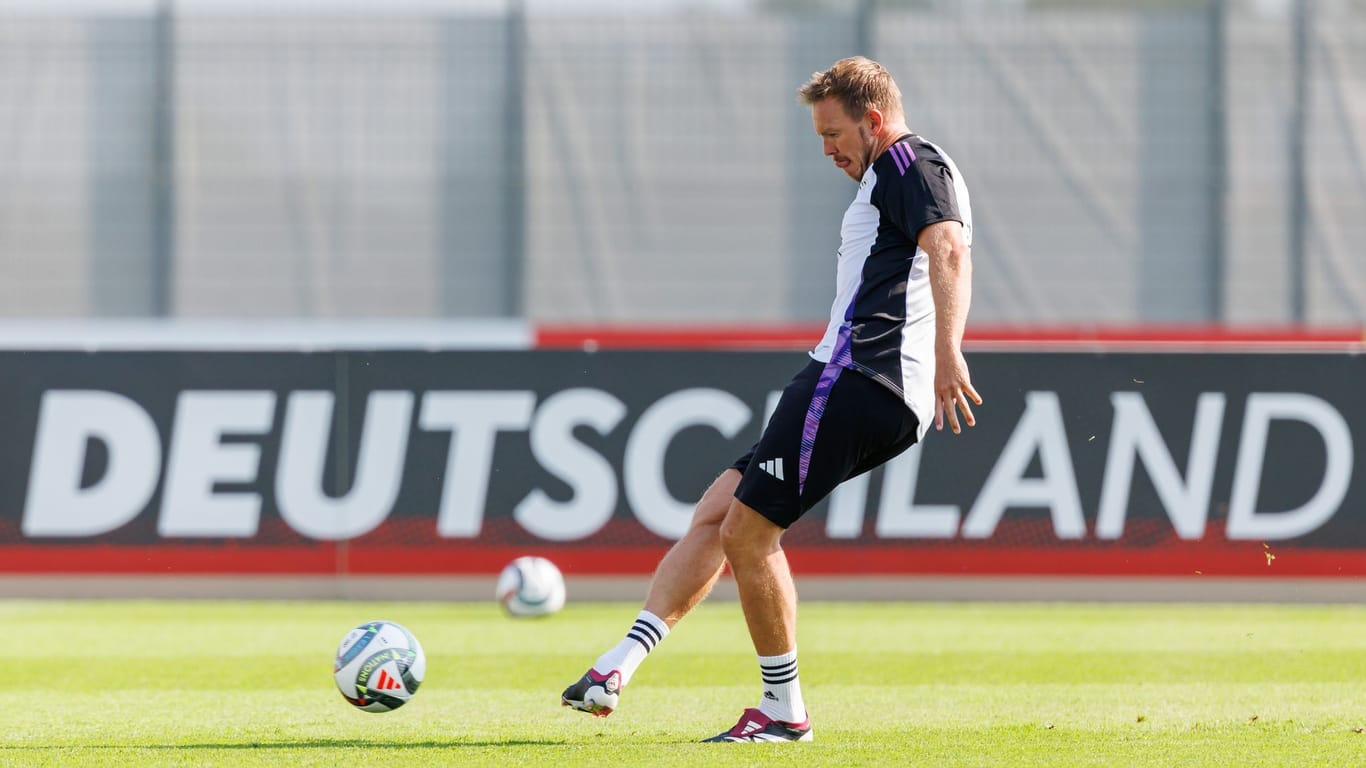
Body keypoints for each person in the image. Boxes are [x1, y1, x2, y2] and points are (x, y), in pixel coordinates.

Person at [561, 55, 981, 743]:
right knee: (716, 516)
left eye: (833, 133)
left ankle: (784, 713)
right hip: (853, 379)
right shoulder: (897, 171)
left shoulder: (908, 163)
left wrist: (947, 351)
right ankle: (617, 666)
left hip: (855, 376)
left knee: (748, 535)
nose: (827, 150)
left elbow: (949, 250)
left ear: (874, 120)